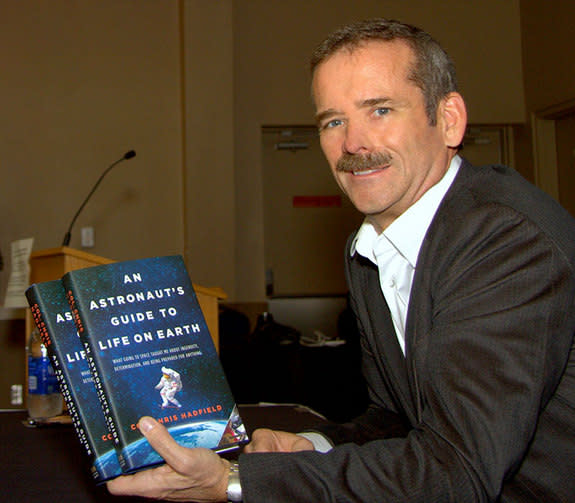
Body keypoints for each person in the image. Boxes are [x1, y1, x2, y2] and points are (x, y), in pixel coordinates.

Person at [107, 18, 575, 502]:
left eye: (380, 110)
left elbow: (457, 472)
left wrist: (235, 482)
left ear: (449, 119)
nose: (352, 144)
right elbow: (397, 420)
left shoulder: (506, 239)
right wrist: (310, 445)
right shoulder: (371, 246)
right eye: (333, 121)